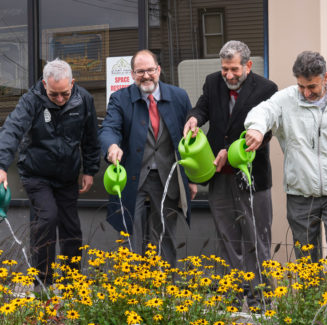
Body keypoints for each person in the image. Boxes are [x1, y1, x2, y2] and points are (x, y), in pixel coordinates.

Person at [183, 40, 277, 305]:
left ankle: (261, 301)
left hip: (252, 177)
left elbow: (265, 131)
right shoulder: (213, 82)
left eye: (234, 69)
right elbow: (202, 107)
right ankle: (232, 300)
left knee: (256, 238)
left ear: (247, 65)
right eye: (225, 69)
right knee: (227, 238)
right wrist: (194, 119)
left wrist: (229, 149)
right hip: (219, 177)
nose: (229, 75)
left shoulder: (267, 89)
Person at [245, 51, 327, 263]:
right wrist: (257, 128)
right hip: (300, 192)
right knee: (305, 256)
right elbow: (263, 111)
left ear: (326, 77)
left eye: (312, 86)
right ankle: (311, 295)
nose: (305, 92)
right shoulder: (285, 99)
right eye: (301, 86)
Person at [0, 58, 100, 286]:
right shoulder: (31, 101)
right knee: (47, 218)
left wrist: (90, 169)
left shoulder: (84, 99)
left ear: (72, 83)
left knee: (71, 227)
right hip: (37, 173)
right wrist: (1, 165)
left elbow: (91, 136)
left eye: (64, 93)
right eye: (54, 94)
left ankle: (71, 284)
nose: (60, 99)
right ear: (44, 84)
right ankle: (43, 283)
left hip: (67, 175)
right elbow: (12, 130)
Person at [99, 49, 195, 265]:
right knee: (128, 235)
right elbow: (109, 128)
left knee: (166, 236)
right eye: (140, 71)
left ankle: (166, 288)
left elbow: (188, 142)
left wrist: (190, 179)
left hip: (168, 177)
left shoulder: (179, 97)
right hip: (132, 176)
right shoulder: (120, 99)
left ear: (158, 70)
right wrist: (112, 146)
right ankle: (132, 289)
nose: (146, 76)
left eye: (150, 70)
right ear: (133, 74)